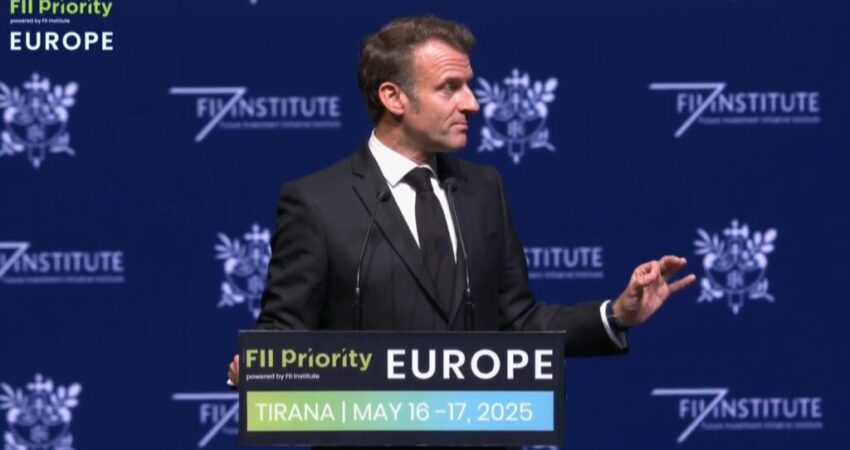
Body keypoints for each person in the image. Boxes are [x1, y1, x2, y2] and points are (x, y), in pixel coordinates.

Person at [228, 15, 695, 386]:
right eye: (450, 87)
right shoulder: (317, 203)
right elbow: (284, 330)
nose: (472, 103)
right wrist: (260, 367)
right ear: (393, 97)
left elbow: (519, 322)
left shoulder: (483, 188)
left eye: (469, 85)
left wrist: (616, 314)